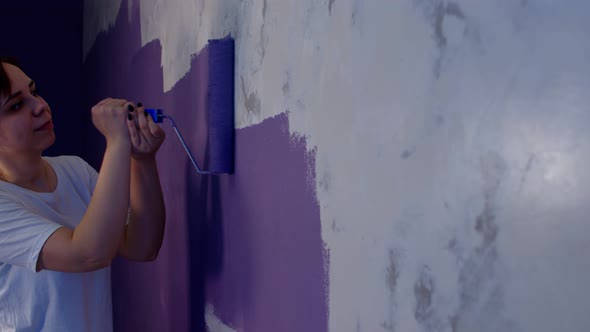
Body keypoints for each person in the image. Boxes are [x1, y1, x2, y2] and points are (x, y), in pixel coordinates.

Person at [0, 56, 166, 331]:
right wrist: (116, 142)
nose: (40, 106)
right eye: (17, 106)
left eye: (34, 91)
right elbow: (87, 254)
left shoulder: (73, 170)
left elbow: (142, 247)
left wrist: (142, 160)